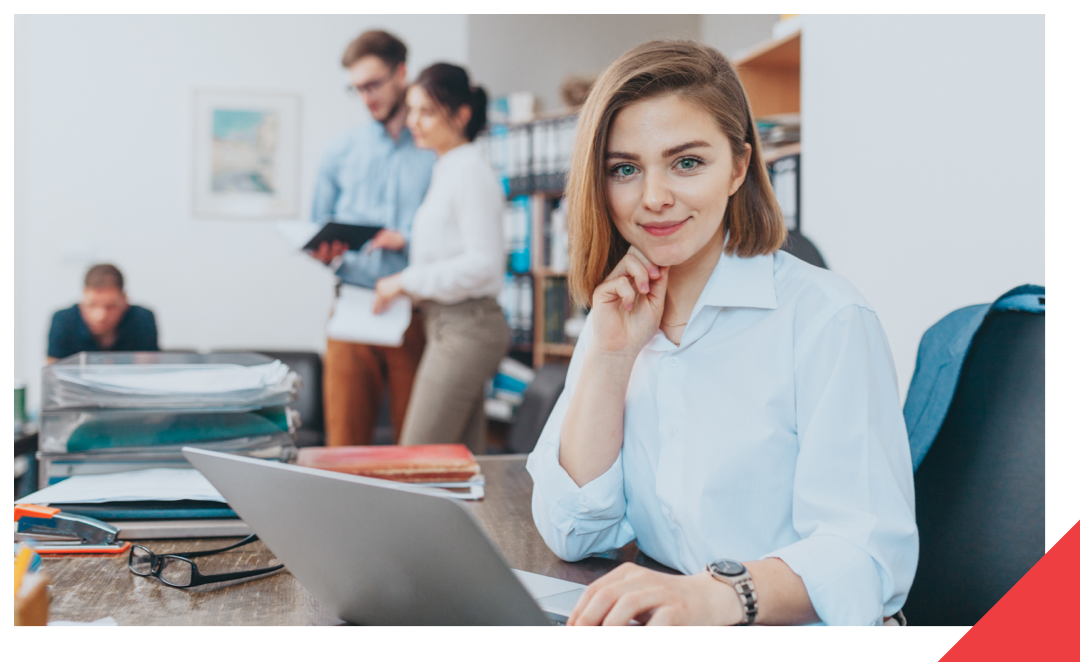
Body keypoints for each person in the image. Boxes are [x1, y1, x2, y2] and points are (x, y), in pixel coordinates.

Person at [525, 40, 918, 626]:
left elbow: (865, 556)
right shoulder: (619, 313)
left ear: (738, 166)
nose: (653, 198)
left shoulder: (826, 319)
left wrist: (715, 594)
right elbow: (574, 531)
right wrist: (611, 356)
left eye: (687, 162)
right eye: (625, 169)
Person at [372, 63, 509, 454]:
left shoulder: (470, 171)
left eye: (426, 111)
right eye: (412, 110)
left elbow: (482, 263)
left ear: (462, 115)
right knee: (459, 465)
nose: (413, 121)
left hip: (468, 327)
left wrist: (404, 281)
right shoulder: (448, 167)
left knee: (415, 458)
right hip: (446, 323)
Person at [311, 30, 436, 447]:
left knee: (416, 445)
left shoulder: (435, 151)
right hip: (352, 306)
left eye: (373, 84)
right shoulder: (339, 152)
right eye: (357, 88)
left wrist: (408, 239)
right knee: (343, 445)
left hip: (414, 312)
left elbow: (452, 232)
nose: (366, 97)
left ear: (401, 72)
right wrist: (323, 250)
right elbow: (318, 226)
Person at [47, 264, 158, 363]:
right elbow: (53, 376)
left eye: (111, 306)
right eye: (92, 305)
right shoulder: (63, 320)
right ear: (83, 297)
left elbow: (147, 373)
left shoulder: (143, 320)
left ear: (124, 299)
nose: (100, 316)